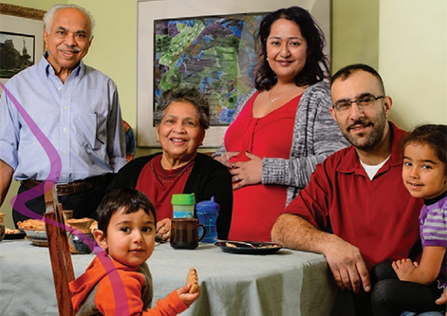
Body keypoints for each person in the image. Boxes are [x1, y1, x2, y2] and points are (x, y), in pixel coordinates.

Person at [271, 63, 423, 315]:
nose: (355, 114)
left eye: (365, 100)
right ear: (334, 114)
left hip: (419, 298)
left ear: (386, 105)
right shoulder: (333, 167)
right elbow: (282, 228)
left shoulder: (424, 153)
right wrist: (330, 244)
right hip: (357, 303)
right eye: (344, 105)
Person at [213, 6, 348, 242]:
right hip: (227, 240)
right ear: (266, 48)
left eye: (294, 43)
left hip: (281, 241)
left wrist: (267, 171)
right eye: (276, 43)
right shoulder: (248, 97)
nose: (283, 52)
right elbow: (228, 150)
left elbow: (335, 165)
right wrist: (217, 163)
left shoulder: (320, 97)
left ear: (309, 48)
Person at [0, 4, 126, 225]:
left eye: (80, 35)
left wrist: (123, 213)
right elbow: (4, 159)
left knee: (93, 262)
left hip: (94, 202)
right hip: (34, 203)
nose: (70, 42)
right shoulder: (17, 87)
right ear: (46, 35)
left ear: (89, 42)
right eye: (62, 32)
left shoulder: (105, 87)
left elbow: (117, 159)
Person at [108, 87, 232, 241]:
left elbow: (218, 228)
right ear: (158, 130)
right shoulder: (131, 171)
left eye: (189, 123)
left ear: (201, 136)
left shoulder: (215, 175)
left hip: (189, 261)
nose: (179, 129)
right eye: (170, 121)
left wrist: (183, 228)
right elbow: (106, 219)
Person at [70, 188, 200, 315]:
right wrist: (173, 304)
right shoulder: (117, 283)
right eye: (125, 229)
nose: (138, 238)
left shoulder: (116, 260)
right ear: (102, 239)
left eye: (146, 229)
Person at [370, 124, 447, 316]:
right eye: (408, 163)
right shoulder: (436, 203)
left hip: (441, 291)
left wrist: (411, 275)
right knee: (381, 271)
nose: (413, 173)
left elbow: (427, 275)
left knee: (383, 294)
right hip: (440, 279)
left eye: (426, 166)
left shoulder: (439, 215)